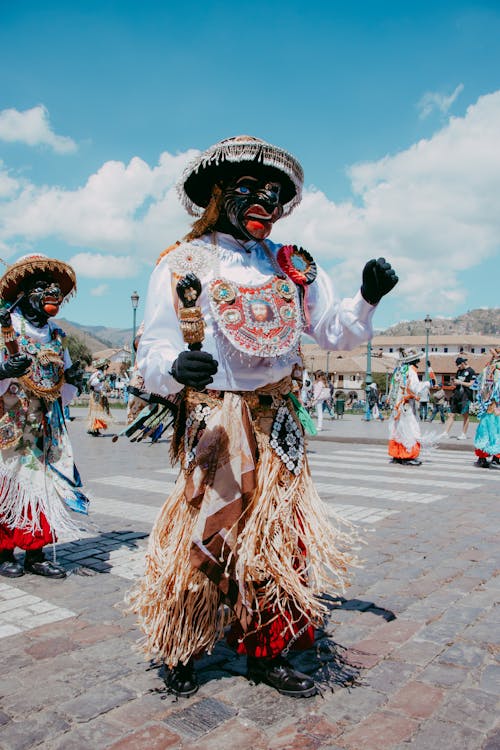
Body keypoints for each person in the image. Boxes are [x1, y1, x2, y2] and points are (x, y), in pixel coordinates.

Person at [130, 135, 398, 698]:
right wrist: (177, 364)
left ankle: (265, 648)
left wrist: (366, 299)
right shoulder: (183, 263)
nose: (266, 203)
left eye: (274, 194)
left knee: (277, 537)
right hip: (217, 422)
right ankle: (185, 639)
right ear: (219, 193)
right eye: (251, 190)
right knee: (207, 534)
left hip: (278, 423)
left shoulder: (292, 267)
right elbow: (150, 354)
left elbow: (334, 332)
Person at [0, 253, 88, 579]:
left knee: (43, 486)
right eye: (42, 286)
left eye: (55, 288)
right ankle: (5, 550)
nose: (52, 292)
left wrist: (71, 380)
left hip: (45, 425)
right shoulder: (6, 328)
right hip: (8, 422)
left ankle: (35, 553)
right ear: (23, 292)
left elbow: (63, 377)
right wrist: (4, 369)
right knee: (8, 483)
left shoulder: (56, 334)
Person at [388, 349, 430, 466]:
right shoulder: (411, 371)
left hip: (397, 406)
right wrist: (426, 384)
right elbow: (414, 388)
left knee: (398, 430)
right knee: (410, 429)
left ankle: (397, 455)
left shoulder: (399, 370)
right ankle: (407, 456)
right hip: (406, 406)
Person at [473, 348, 500, 468]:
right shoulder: (493, 368)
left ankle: (483, 458)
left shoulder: (488, 368)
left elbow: (479, 386)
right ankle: (495, 457)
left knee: (485, 431)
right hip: (494, 404)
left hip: (487, 405)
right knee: (495, 431)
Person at [442, 356, 476, 439]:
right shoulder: (459, 371)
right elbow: (457, 381)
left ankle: (463, 434)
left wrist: (461, 382)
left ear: (463, 363)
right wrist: (454, 382)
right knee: (451, 414)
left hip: (465, 396)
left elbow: (472, 384)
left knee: (465, 415)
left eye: (459, 365)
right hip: (456, 394)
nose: (458, 367)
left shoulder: (471, 371)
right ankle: (445, 432)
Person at [87, 360, 111, 436]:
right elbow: (93, 383)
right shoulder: (98, 374)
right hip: (96, 395)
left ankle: (93, 429)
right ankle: (95, 430)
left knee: (96, 413)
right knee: (96, 413)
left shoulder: (98, 374)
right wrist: (101, 378)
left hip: (97, 395)